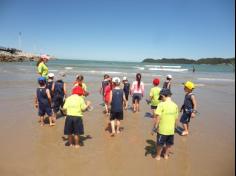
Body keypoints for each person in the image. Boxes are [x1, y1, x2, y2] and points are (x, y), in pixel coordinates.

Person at [152, 88, 178, 160]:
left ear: (163, 96)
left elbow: (158, 118)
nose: (161, 99)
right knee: (169, 144)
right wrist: (175, 128)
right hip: (171, 130)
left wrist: (154, 128)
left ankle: (158, 156)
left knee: (160, 144)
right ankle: (166, 155)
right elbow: (176, 119)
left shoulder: (161, 104)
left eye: (161, 97)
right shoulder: (175, 105)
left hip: (162, 130)